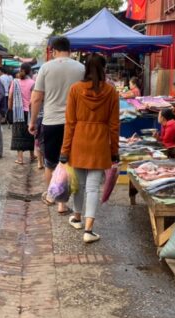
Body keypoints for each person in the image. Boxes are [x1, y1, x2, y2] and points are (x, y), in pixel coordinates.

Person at [59, 54, 120, 244]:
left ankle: (77, 217)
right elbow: (114, 125)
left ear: (86, 68)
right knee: (93, 188)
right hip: (100, 143)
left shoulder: (75, 89)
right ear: (104, 69)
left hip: (78, 141)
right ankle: (88, 229)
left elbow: (69, 123)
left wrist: (65, 149)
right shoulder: (111, 92)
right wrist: (114, 150)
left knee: (79, 184)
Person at [29, 36, 85, 215]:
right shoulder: (81, 68)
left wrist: (32, 121)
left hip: (51, 121)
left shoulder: (46, 68)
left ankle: (54, 197)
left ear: (53, 50)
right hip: (75, 123)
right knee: (71, 162)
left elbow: (37, 98)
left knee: (51, 163)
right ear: (70, 50)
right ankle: (64, 203)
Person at [9, 63, 35, 165]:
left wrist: (10, 109)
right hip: (29, 111)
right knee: (31, 134)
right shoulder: (33, 83)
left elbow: (10, 97)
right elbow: (34, 99)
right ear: (30, 71)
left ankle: (20, 159)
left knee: (18, 134)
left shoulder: (15, 82)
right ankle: (32, 156)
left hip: (17, 112)